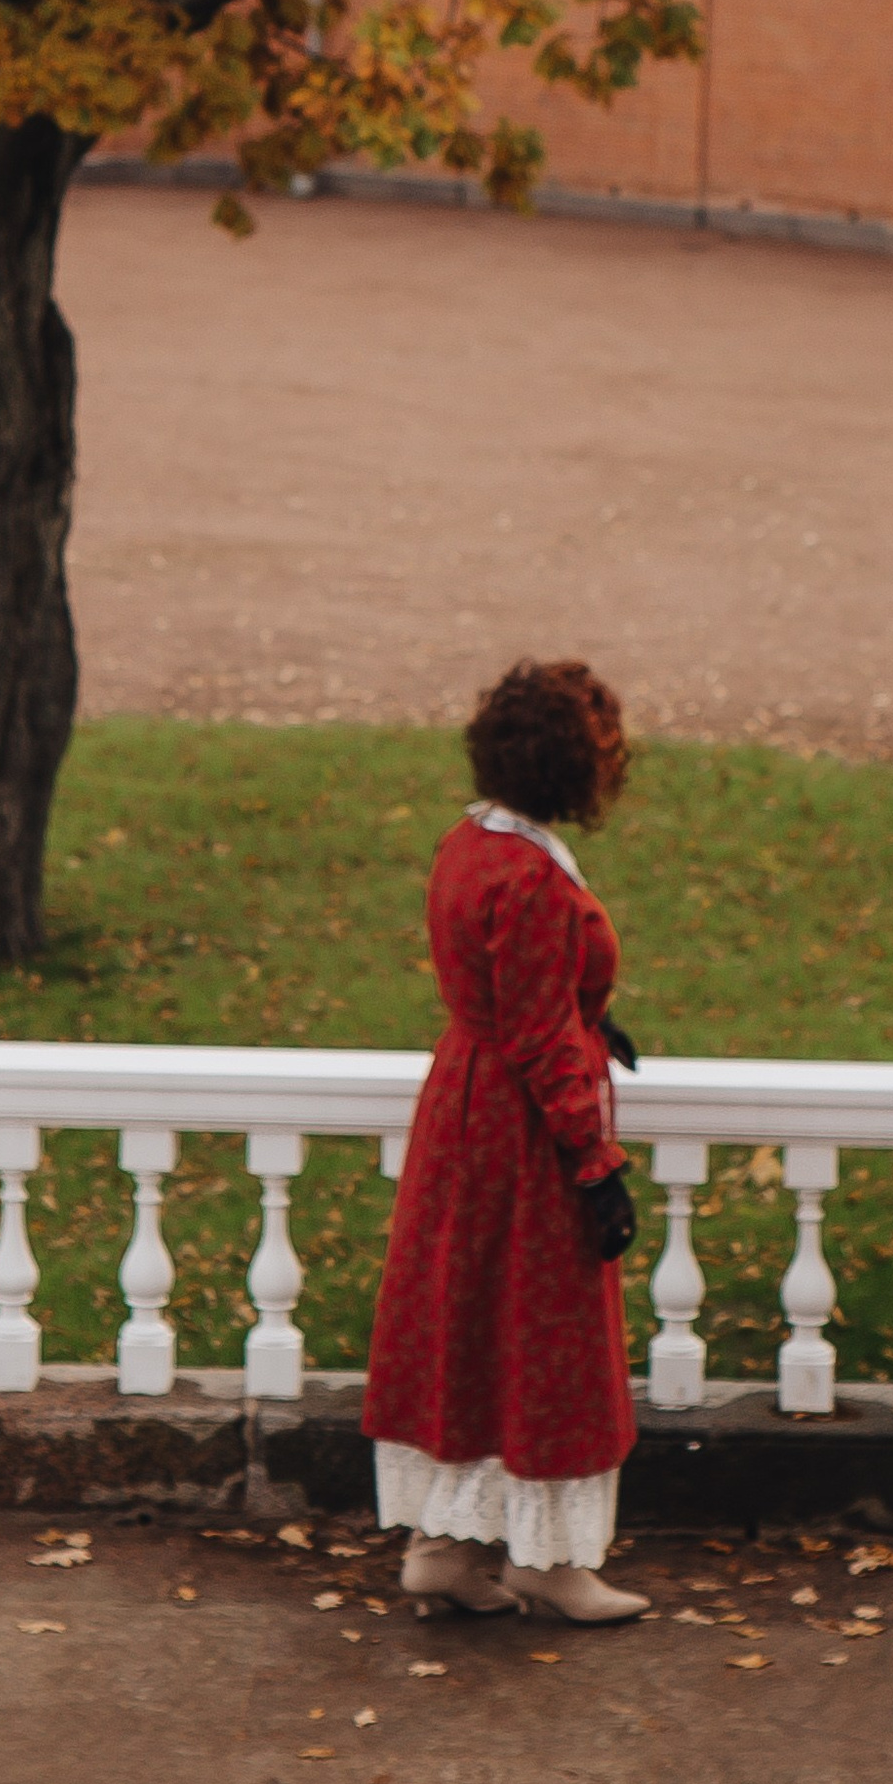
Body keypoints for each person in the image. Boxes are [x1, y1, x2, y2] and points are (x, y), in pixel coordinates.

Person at [363, 659, 648, 1625]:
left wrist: (585, 1013)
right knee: (542, 1330)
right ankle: (549, 1564)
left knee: (471, 1324)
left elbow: (508, 997)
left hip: (462, 1111)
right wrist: (597, 1167)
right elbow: (534, 1036)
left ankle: (442, 1551)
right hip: (519, 1133)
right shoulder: (528, 876)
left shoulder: (469, 843)